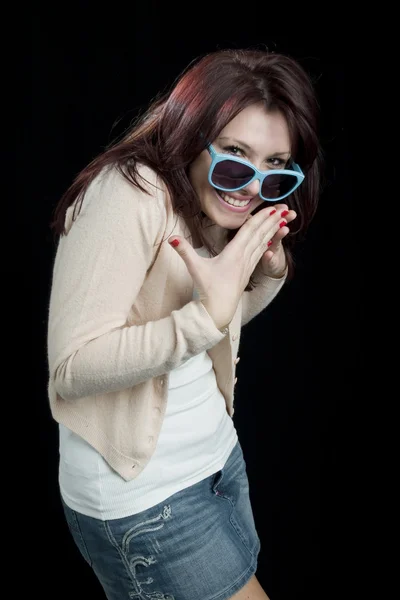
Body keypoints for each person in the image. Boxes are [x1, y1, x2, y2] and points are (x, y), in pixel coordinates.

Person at [46, 48, 322, 600]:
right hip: (147, 497)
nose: (250, 187)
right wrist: (200, 318)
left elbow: (217, 322)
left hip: (218, 460)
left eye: (276, 169)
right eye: (236, 156)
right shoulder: (131, 194)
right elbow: (70, 369)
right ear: (192, 135)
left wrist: (261, 279)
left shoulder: (211, 200)